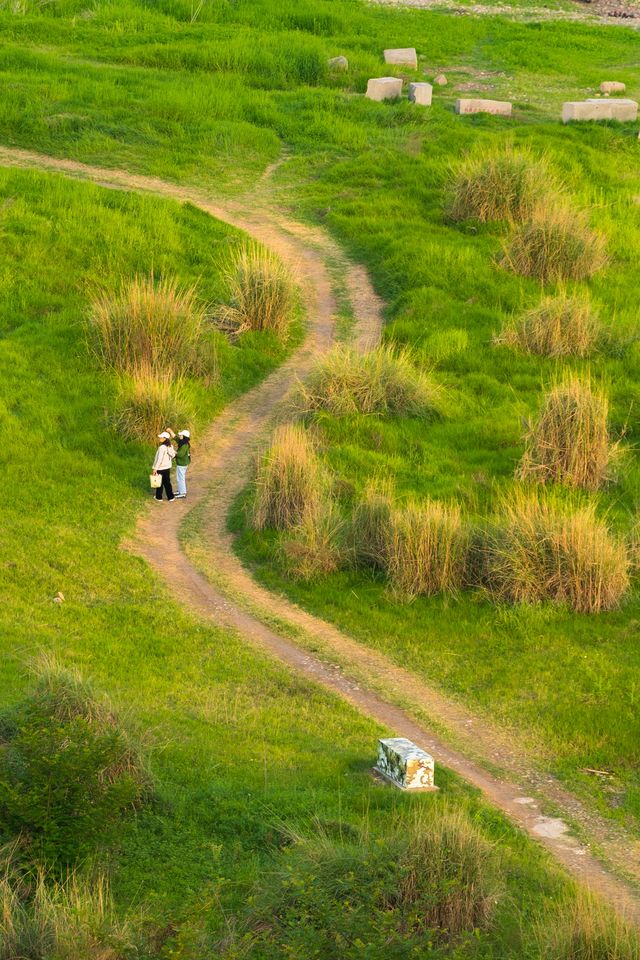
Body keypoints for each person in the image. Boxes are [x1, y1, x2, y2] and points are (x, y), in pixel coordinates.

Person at [152, 431, 176, 502]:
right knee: (167, 482)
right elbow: (173, 455)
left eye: (161, 437)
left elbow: (159, 459)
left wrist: (155, 469)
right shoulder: (170, 446)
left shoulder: (162, 447)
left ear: (165, 438)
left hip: (161, 468)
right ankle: (171, 497)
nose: (160, 438)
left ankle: (159, 497)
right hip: (167, 467)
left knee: (159, 483)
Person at [175, 429, 191, 499]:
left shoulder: (184, 445)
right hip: (183, 464)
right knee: (179, 478)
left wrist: (173, 452)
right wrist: (170, 431)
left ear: (184, 436)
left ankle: (182, 493)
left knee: (180, 478)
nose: (179, 436)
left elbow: (180, 454)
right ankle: (180, 491)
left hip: (182, 464)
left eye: (181, 435)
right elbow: (176, 438)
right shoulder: (183, 442)